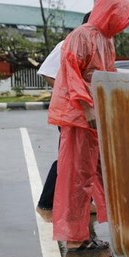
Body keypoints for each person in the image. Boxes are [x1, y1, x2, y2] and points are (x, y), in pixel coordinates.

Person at [48, 0, 129, 251]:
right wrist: (87, 110)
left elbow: (107, 77)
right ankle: (75, 239)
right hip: (80, 117)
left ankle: (91, 232)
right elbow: (71, 73)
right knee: (76, 177)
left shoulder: (106, 39)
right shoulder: (81, 35)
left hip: (95, 117)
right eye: (120, 15)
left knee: (95, 174)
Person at [35, 12, 91, 223]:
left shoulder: (93, 45)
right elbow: (47, 73)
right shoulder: (68, 43)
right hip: (71, 112)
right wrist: (67, 94)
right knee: (68, 158)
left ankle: (86, 202)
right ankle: (46, 204)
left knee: (89, 159)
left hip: (87, 113)